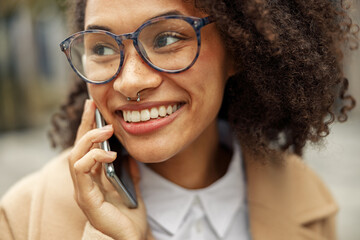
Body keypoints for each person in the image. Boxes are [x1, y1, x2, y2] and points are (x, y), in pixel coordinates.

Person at [0, 0, 357, 239]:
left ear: (238, 49)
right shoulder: (20, 220)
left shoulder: (308, 201)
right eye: (103, 48)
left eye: (168, 38)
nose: (130, 81)